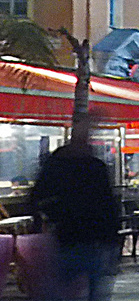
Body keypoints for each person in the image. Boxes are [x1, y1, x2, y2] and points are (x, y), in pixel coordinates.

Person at [29, 112, 119, 301]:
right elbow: (107, 203)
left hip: (68, 236)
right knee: (91, 288)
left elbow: (36, 196)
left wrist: (52, 215)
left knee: (60, 288)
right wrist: (111, 238)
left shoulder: (59, 163)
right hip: (87, 238)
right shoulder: (94, 166)